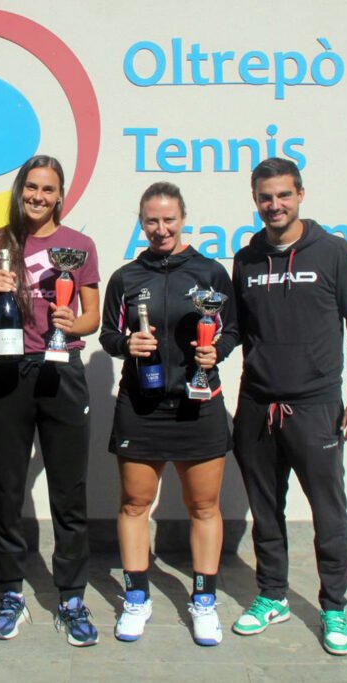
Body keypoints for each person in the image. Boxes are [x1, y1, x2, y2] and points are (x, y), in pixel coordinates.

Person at [227, 158, 347, 656]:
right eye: (266, 197)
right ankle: (271, 595)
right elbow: (236, 329)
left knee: (328, 512)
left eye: (283, 195)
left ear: (300, 195)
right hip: (256, 405)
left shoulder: (332, 252)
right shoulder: (245, 260)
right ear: (255, 200)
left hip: (316, 408)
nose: (275, 205)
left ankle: (333, 605)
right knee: (265, 511)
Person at [99, 182, 237, 646]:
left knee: (204, 507)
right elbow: (107, 335)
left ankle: (203, 601)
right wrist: (125, 344)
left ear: (183, 220)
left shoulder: (211, 273)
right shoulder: (125, 278)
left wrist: (216, 350)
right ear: (141, 223)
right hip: (142, 407)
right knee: (135, 505)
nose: (161, 229)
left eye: (169, 220)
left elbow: (232, 329)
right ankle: (136, 599)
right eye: (152, 221)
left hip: (199, 406)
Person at [0, 155, 101, 647]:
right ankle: (9, 592)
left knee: (69, 491)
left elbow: (92, 317)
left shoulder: (80, 246)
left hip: (62, 369)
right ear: (19, 189)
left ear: (60, 196)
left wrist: (73, 324)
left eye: (48, 189)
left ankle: (70, 596)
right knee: (6, 489)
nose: (38, 197)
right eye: (31, 187)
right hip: (8, 372)